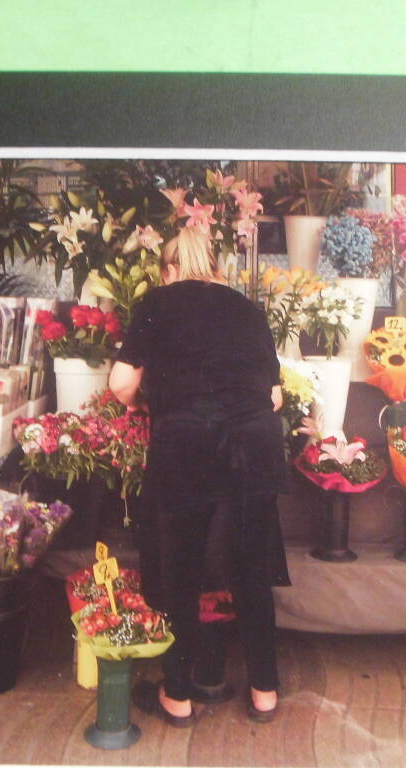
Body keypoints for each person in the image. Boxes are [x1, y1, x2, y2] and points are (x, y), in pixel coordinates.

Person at [109, 226, 286, 724]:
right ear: (215, 268)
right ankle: (265, 692)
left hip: (187, 442)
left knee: (179, 570)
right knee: (252, 569)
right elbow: (274, 397)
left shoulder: (157, 302)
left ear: (168, 270)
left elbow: (121, 383)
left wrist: (149, 403)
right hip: (254, 443)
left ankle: (178, 696)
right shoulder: (247, 309)